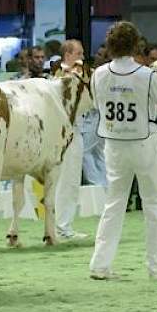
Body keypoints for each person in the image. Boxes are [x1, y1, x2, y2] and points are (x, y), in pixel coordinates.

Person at [88, 21, 157, 281]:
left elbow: (97, 104)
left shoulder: (99, 74)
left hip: (114, 143)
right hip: (144, 142)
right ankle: (156, 269)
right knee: (153, 205)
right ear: (136, 45)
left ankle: (99, 265)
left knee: (114, 203)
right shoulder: (148, 75)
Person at [50, 40, 90, 240]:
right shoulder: (65, 74)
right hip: (68, 131)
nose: (82, 57)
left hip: (67, 131)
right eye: (78, 53)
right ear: (67, 54)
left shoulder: (63, 73)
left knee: (65, 180)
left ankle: (60, 225)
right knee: (68, 181)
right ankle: (63, 227)